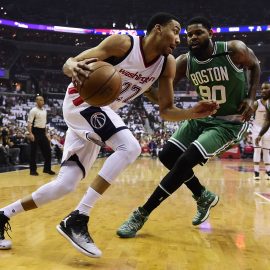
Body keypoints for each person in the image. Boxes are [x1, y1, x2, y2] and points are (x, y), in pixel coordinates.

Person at [0, 13, 218, 257]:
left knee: (65, 184)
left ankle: (3, 215)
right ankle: (78, 217)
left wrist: (192, 113)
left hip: (99, 114)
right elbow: (70, 64)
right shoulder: (123, 44)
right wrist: (72, 65)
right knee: (130, 147)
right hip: (79, 101)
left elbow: (166, 110)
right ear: (157, 28)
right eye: (175, 31)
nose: (179, 39)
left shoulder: (166, 64)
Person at [116, 16, 260, 238]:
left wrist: (251, 98)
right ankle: (203, 195)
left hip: (229, 122)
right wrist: (141, 85)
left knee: (184, 161)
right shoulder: (184, 61)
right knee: (167, 156)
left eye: (198, 33)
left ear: (210, 34)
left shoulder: (233, 49)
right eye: (189, 34)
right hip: (201, 117)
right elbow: (162, 96)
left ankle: (141, 213)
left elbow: (255, 65)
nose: (192, 37)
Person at [27, 95, 55, 175]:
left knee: (48, 151)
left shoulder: (44, 111)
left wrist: (46, 134)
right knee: (33, 152)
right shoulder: (33, 111)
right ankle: (32, 171)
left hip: (42, 132)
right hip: (35, 131)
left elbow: (44, 124)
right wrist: (31, 133)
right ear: (36, 101)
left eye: (42, 100)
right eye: (40, 100)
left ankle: (47, 169)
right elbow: (29, 123)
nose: (42, 102)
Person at [251, 82, 270, 180]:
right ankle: (256, 172)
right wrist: (249, 128)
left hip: (267, 129)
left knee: (267, 151)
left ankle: (268, 172)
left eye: (266, 88)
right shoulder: (256, 103)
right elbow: (249, 115)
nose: (263, 90)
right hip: (256, 129)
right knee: (257, 150)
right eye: (262, 88)